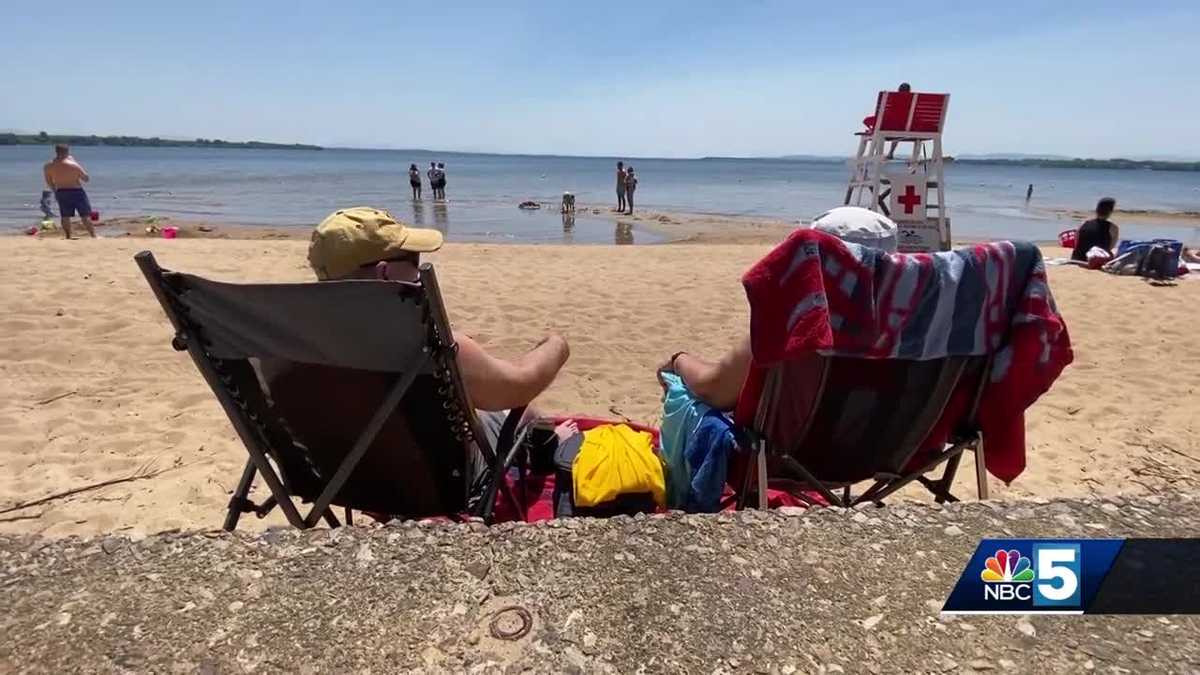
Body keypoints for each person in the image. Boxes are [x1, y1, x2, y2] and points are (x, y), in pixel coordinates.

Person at [292, 207, 572, 497]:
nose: (418, 266)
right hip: (436, 482)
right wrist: (557, 346)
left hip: (338, 480)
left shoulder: (294, 347)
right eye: (413, 259)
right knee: (521, 413)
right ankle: (554, 442)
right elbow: (519, 385)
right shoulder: (432, 347)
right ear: (385, 273)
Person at [43, 144, 95, 239]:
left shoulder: (48, 166)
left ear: (56, 152)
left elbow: (49, 181)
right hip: (76, 191)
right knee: (85, 215)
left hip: (61, 191)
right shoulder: (73, 165)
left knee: (65, 215)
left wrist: (55, 191)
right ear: (67, 152)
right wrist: (75, 162)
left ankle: (68, 236)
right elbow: (86, 178)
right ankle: (93, 236)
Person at [1071, 197, 1120, 262]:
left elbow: (1076, 243)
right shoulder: (1113, 227)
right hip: (1096, 259)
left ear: (1097, 209)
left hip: (1078, 257)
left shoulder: (1084, 223)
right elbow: (1111, 247)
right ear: (1110, 211)